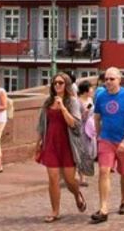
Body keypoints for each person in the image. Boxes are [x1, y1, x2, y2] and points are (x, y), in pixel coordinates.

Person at [36, 73, 87, 223]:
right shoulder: (47, 102)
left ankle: (77, 194)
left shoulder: (72, 102)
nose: (57, 85)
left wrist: (63, 108)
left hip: (67, 144)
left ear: (66, 85)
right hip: (51, 143)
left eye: (60, 83)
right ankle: (55, 211)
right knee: (53, 179)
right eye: (55, 83)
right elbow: (41, 125)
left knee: (70, 180)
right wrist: (38, 144)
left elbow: (75, 124)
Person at [91, 67, 124, 224]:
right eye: (106, 79)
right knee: (104, 171)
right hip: (106, 139)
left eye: (112, 79)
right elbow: (97, 118)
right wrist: (98, 136)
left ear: (119, 80)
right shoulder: (101, 96)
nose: (108, 82)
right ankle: (103, 208)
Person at [76, 79, 97, 187]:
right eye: (90, 88)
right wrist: (84, 114)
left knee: (90, 151)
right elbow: (77, 117)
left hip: (90, 127)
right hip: (81, 129)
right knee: (82, 152)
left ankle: (86, 172)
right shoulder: (78, 101)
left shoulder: (90, 99)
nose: (92, 90)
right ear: (85, 90)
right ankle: (82, 176)